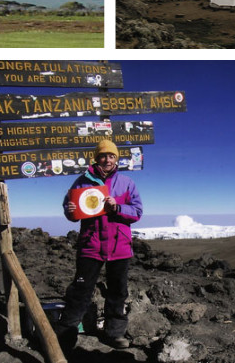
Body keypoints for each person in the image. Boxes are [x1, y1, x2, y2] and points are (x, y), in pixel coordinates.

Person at [56, 139, 143, 354]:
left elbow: (137, 211)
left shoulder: (127, 183)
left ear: (116, 159)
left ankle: (115, 333)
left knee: (117, 292)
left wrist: (118, 207)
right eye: (103, 155)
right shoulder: (81, 182)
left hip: (119, 245)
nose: (107, 159)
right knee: (80, 290)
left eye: (111, 156)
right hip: (90, 245)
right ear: (96, 158)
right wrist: (70, 209)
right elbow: (72, 213)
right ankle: (66, 335)